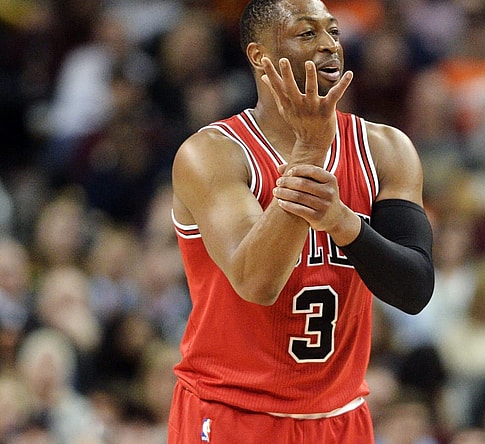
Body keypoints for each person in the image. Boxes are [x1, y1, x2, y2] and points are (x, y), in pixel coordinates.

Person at [167, 0, 435, 442]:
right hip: (233, 409)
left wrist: (344, 223)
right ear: (260, 56)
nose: (329, 45)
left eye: (333, 32)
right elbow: (257, 282)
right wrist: (309, 155)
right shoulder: (212, 153)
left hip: (340, 414)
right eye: (307, 34)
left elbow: (414, 287)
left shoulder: (386, 148)